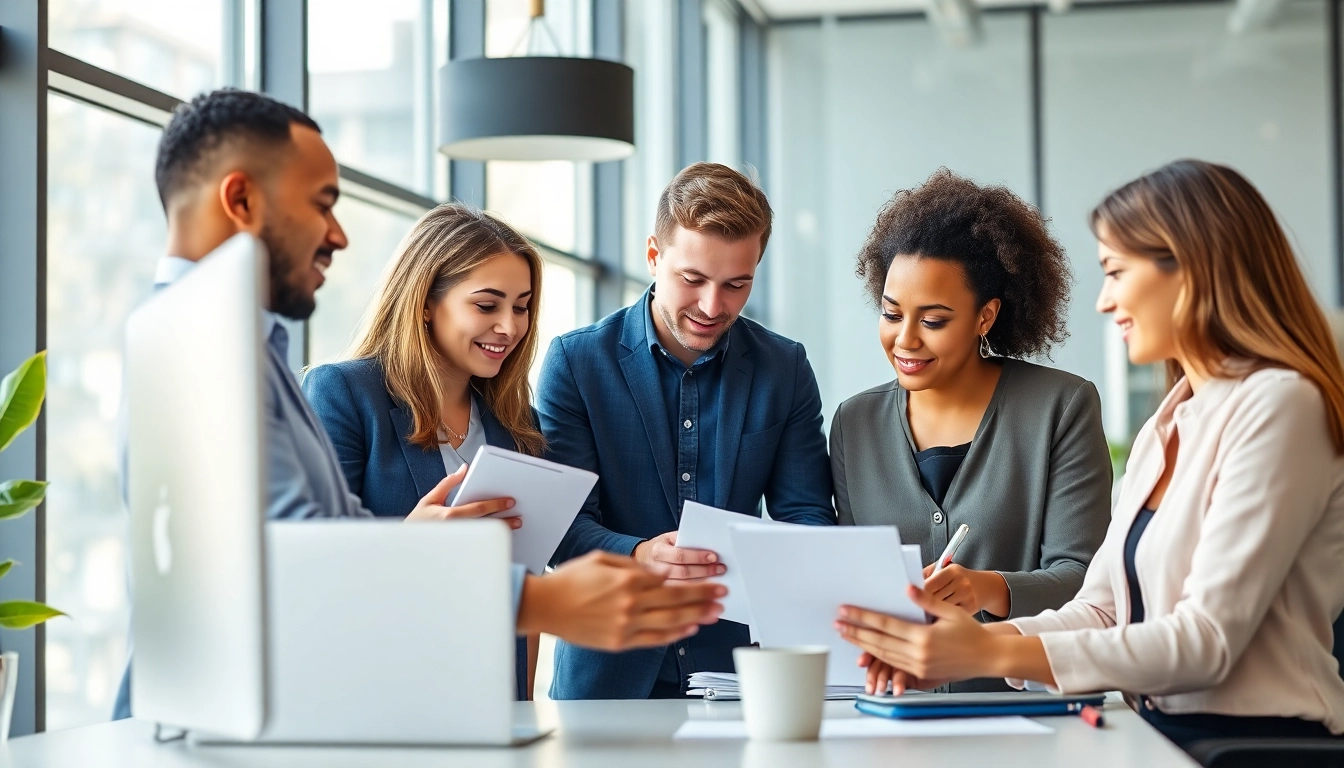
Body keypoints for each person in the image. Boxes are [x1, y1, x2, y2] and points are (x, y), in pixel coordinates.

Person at [113, 88, 725, 719]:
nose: (338, 235)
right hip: (228, 726)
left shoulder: (242, 344)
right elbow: (295, 567)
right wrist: (544, 601)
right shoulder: (202, 340)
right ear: (241, 199)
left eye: (520, 307)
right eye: (321, 204)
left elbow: (317, 548)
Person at [836, 160, 1344, 750]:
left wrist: (991, 650)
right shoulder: (1170, 422)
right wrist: (955, 651)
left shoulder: (1280, 405)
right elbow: (1103, 611)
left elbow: (1206, 640)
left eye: (1117, 272)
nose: (1104, 302)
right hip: (1164, 736)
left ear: (1192, 272)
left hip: (1260, 745)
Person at [538, 162, 836, 700]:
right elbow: (561, 530)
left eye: (736, 285)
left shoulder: (784, 369)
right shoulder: (576, 363)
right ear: (654, 256)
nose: (712, 306)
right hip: (606, 682)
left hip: (738, 678)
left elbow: (808, 515)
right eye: (692, 279)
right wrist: (639, 555)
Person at [830, 169, 1111, 692]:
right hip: (890, 710)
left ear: (986, 317)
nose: (905, 340)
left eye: (933, 321)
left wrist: (986, 589)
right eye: (891, 314)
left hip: (1023, 713)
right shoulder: (854, 425)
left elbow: (1088, 583)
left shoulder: (1061, 407)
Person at [303, 203, 547, 700]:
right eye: (487, 306)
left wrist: (521, 708)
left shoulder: (519, 425)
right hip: (383, 694)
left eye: (521, 307)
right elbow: (310, 568)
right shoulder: (345, 395)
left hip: (486, 696)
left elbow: (526, 586)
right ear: (425, 303)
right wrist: (410, 544)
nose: (509, 326)